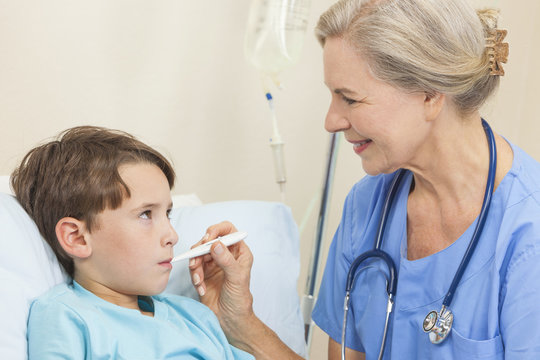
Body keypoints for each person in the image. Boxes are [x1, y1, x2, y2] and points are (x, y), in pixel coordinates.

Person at [189, 0, 540, 359]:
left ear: (430, 94)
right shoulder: (368, 206)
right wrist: (241, 322)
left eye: (350, 99)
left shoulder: (528, 237)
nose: (331, 121)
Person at [12, 126, 254, 359]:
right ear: (77, 237)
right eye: (145, 214)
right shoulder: (66, 316)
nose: (172, 235)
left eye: (167, 214)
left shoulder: (195, 317)